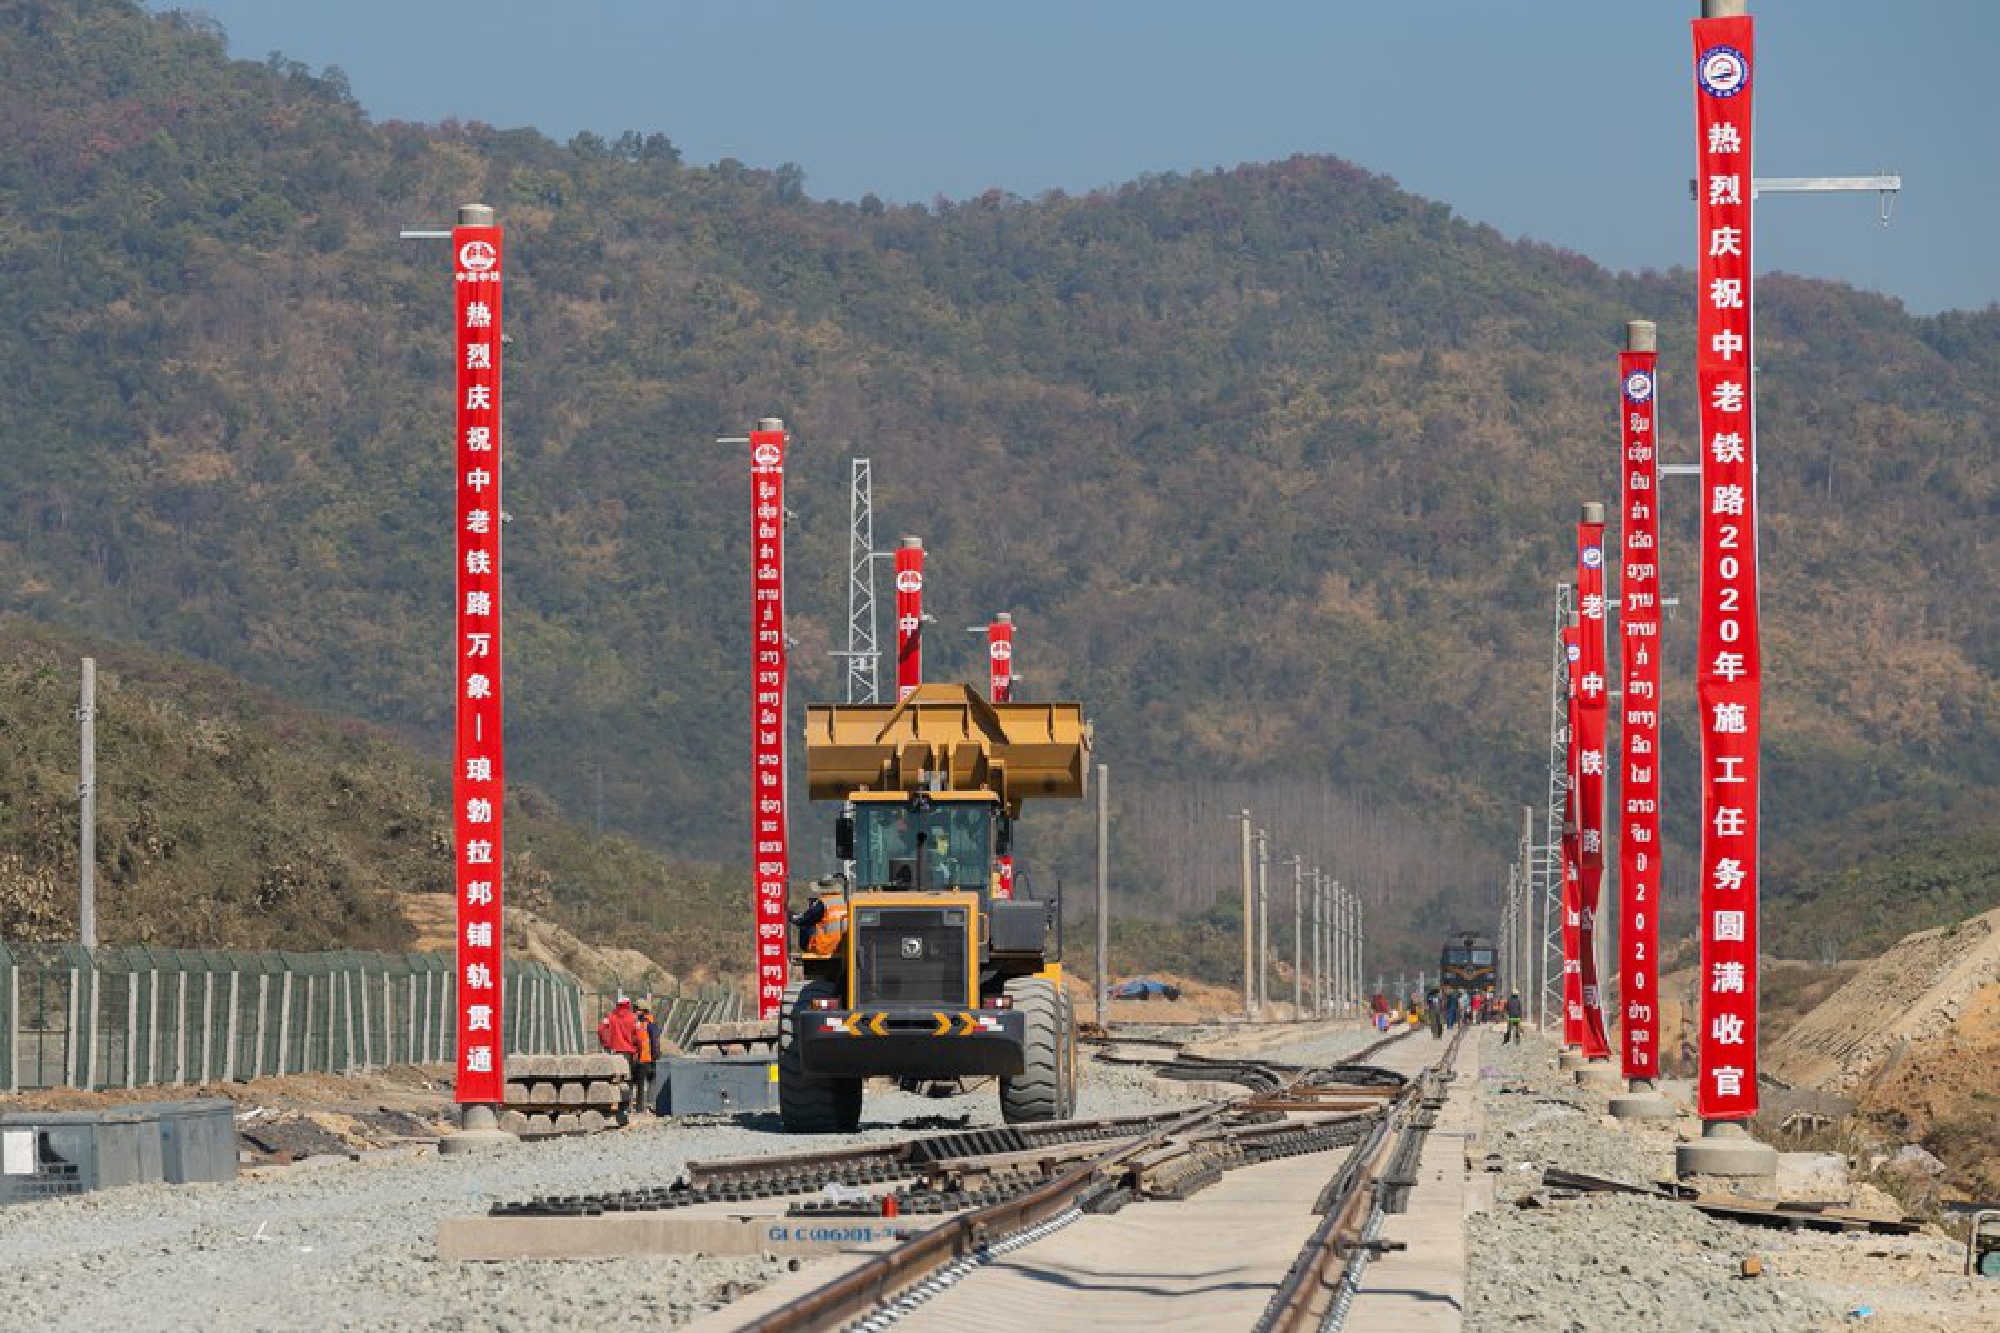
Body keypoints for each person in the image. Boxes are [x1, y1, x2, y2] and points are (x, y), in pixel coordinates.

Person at [597, 996, 640, 1120]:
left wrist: (606, 1043)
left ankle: (611, 1104)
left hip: (614, 1052)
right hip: (628, 1052)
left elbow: (600, 1030)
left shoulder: (610, 1017)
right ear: (628, 1005)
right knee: (627, 1080)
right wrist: (636, 1048)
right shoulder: (633, 1018)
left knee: (613, 1079)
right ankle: (626, 1106)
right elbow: (638, 1036)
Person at [632, 1004, 658, 1116]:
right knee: (640, 1083)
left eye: (637, 1009)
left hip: (647, 1057)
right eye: (635, 1009)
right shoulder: (637, 1023)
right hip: (639, 1057)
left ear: (643, 1010)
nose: (635, 1011)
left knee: (649, 1081)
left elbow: (654, 1042)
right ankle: (640, 1107)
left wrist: (655, 1057)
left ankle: (649, 1104)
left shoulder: (650, 1025)